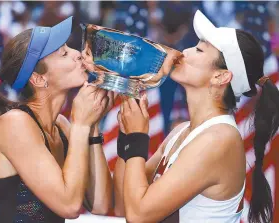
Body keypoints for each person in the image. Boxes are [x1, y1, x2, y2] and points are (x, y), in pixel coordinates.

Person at [113, 10, 279, 223]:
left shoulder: (219, 139)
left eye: (199, 50)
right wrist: (127, 134)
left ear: (221, 76)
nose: (184, 52)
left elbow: (138, 214)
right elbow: (121, 203)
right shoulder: (181, 131)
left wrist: (137, 136)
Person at [0, 16, 113, 222]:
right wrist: (82, 126)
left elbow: (100, 204)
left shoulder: (62, 126)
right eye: (64, 53)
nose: (77, 54)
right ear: (38, 78)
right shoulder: (14, 124)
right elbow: (69, 206)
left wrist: (92, 126)